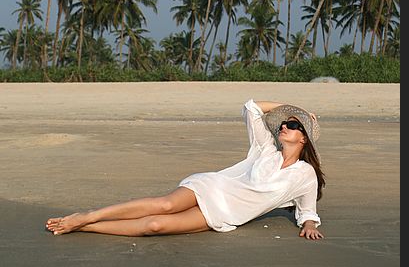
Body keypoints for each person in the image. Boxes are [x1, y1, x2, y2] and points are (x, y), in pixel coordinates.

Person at [45, 99, 326, 240]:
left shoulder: (305, 175)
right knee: (164, 205)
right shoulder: (266, 149)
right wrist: (289, 107)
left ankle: (87, 227)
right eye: (284, 123)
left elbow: (307, 209)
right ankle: (85, 216)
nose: (285, 126)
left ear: (304, 139)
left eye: (293, 125)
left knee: (155, 226)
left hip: (226, 213)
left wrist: (309, 224)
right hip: (212, 186)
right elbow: (251, 107)